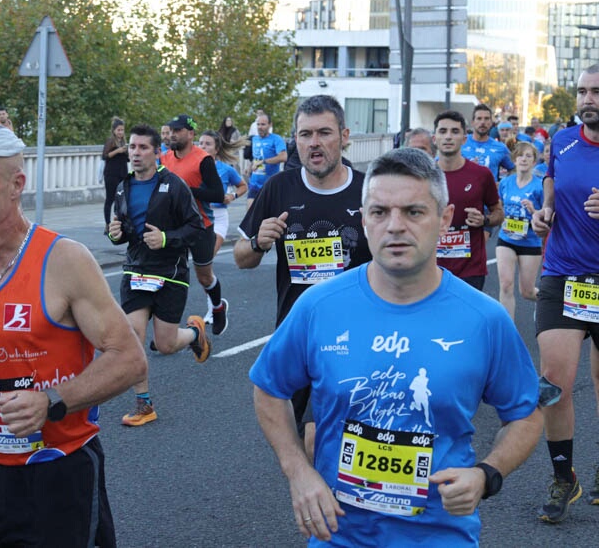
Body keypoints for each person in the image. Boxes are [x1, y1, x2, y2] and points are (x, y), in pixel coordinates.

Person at [250, 147, 542, 547]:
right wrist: (299, 472)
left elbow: (526, 414)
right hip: (338, 535)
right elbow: (269, 388)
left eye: (413, 212)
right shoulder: (319, 306)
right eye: (379, 212)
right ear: (365, 220)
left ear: (444, 219)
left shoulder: (484, 319)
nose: (395, 226)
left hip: (441, 536)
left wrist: (486, 474)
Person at [0, 124, 147, 547]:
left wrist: (52, 403)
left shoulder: (64, 261)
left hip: (59, 473)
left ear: (16, 185)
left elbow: (128, 359)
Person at [236, 94, 372, 455]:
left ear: (344, 136)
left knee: (317, 439)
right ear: (294, 139)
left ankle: (328, 506)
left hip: (354, 337)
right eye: (305, 134)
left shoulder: (368, 190)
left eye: (324, 133)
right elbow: (241, 258)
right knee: (301, 441)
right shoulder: (279, 189)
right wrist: (258, 242)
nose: (314, 143)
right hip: (296, 335)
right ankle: (322, 504)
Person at [530, 63, 599, 523]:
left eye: (596, 91)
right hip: (563, 275)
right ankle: (563, 477)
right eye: (582, 91)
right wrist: (546, 212)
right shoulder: (562, 140)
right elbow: (552, 181)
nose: (587, 99)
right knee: (552, 385)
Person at [108, 124, 212, 426]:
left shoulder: (175, 185)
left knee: (165, 344)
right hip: (137, 270)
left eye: (142, 148)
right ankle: (144, 405)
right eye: (132, 147)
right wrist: (115, 234)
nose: (135, 153)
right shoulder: (122, 187)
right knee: (133, 336)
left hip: (170, 272)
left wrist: (166, 239)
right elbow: (123, 230)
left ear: (157, 152)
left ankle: (195, 333)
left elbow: (195, 227)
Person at [161, 114, 230, 335]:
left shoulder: (203, 159)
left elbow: (218, 194)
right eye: (171, 130)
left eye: (178, 131)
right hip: (174, 227)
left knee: (204, 276)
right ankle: (168, 331)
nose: (172, 135)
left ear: (190, 134)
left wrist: (187, 192)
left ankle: (218, 307)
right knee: (171, 276)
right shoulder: (164, 159)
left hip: (201, 225)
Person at [432, 111, 502, 291]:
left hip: (470, 269)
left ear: (464, 139)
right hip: (430, 268)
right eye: (443, 131)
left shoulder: (481, 174)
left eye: (455, 131)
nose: (448, 136)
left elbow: (498, 213)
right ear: (435, 138)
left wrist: (484, 220)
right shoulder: (422, 175)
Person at [495, 141, 543, 322]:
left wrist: (533, 211)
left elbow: (547, 216)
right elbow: (499, 207)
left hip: (530, 241)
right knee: (506, 285)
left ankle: (549, 302)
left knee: (527, 291)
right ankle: (509, 332)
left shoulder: (539, 186)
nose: (524, 159)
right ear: (514, 159)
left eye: (528, 156)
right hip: (506, 239)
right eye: (521, 155)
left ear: (534, 161)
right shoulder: (506, 183)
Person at [198, 130, 247, 256]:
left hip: (218, 216)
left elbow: (243, 186)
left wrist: (232, 196)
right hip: (198, 215)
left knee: (208, 255)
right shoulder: (192, 168)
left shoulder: (226, 169)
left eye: (208, 144)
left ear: (216, 149)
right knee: (198, 259)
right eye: (201, 143)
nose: (203, 146)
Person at [243, 112, 288, 207]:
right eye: (258, 124)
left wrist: (264, 161)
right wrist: (250, 167)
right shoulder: (254, 139)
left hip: (270, 184)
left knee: (269, 216)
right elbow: (256, 158)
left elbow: (283, 157)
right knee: (250, 214)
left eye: (263, 124)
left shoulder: (276, 139)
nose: (260, 127)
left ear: (270, 125)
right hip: (254, 183)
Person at [462, 103, 515, 180]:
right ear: (472, 122)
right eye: (479, 118)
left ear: (491, 123)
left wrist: (504, 184)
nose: (483, 122)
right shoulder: (459, 143)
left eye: (486, 119)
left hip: (489, 192)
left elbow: (514, 169)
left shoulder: (500, 147)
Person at [101, 117, 129, 232]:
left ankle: (119, 222)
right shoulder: (110, 142)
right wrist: (118, 151)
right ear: (114, 131)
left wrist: (127, 151)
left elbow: (127, 159)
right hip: (111, 174)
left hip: (122, 173)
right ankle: (107, 224)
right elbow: (105, 156)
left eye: (122, 130)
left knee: (122, 198)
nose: (120, 133)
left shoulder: (124, 142)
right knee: (110, 199)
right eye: (118, 130)